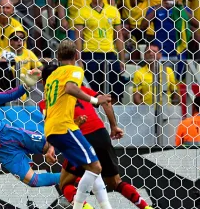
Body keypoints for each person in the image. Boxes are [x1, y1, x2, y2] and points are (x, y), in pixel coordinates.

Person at [40, 64, 153, 209]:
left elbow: (55, 125)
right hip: (100, 134)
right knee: (115, 182)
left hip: (79, 137)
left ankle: (86, 207)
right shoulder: (82, 90)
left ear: (44, 83)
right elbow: (105, 102)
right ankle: (146, 207)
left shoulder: (47, 102)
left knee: (66, 183)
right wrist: (113, 126)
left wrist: (51, 148)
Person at [42, 40, 112, 209]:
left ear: (58, 57)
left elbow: (51, 105)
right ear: (76, 55)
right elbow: (71, 88)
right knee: (95, 167)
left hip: (52, 129)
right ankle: (78, 207)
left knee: (92, 168)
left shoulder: (52, 76)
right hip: (65, 127)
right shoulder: (75, 70)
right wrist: (95, 100)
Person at [75, 0, 124, 103]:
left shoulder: (113, 11)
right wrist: (79, 59)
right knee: (93, 90)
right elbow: (78, 37)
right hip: (90, 53)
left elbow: (119, 35)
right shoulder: (82, 11)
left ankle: (113, 114)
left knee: (115, 90)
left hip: (109, 52)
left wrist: (122, 59)